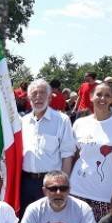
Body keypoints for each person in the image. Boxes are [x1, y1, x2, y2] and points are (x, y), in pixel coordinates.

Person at [70, 83, 112, 222]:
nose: (102, 98)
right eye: (99, 94)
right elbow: (73, 156)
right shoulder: (80, 123)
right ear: (91, 97)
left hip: (105, 196)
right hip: (76, 191)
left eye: (107, 95)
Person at [21, 79, 75, 213]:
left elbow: (67, 155)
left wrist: (62, 186)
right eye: (34, 93)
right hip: (25, 182)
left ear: (50, 97)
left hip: (51, 183)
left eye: (42, 93)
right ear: (29, 98)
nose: (38, 96)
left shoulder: (62, 120)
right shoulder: (23, 122)